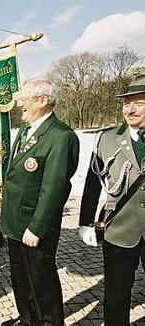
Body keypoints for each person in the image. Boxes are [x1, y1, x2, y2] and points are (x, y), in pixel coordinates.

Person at [0, 79, 79, 326]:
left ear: (43, 101)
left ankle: (49, 322)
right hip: (14, 222)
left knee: (41, 280)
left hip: (34, 225)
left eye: (25, 99)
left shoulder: (60, 136)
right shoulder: (25, 131)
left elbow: (54, 188)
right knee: (20, 277)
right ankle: (27, 319)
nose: (20, 104)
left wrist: (37, 226)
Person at [79, 74, 145, 326]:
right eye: (126, 103)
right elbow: (92, 183)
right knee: (116, 294)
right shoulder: (107, 139)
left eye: (138, 103)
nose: (129, 109)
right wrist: (85, 221)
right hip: (119, 230)